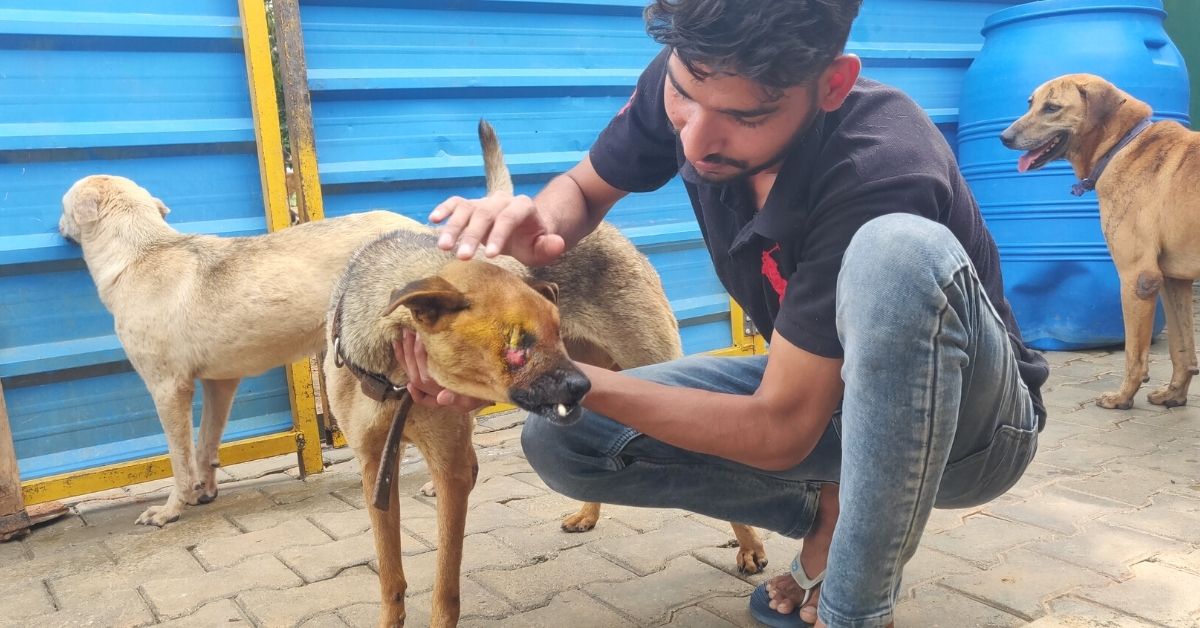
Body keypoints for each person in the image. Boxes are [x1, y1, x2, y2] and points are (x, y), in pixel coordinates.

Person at [398, 1, 1050, 626]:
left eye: (746, 116)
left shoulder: (880, 164)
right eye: (684, 96)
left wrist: (557, 378)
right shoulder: (699, 76)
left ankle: (854, 601)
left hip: (970, 430)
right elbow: (583, 190)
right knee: (564, 436)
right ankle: (829, 510)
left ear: (831, 85)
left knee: (897, 250)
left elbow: (782, 428)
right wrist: (540, 224)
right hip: (825, 395)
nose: (697, 139)